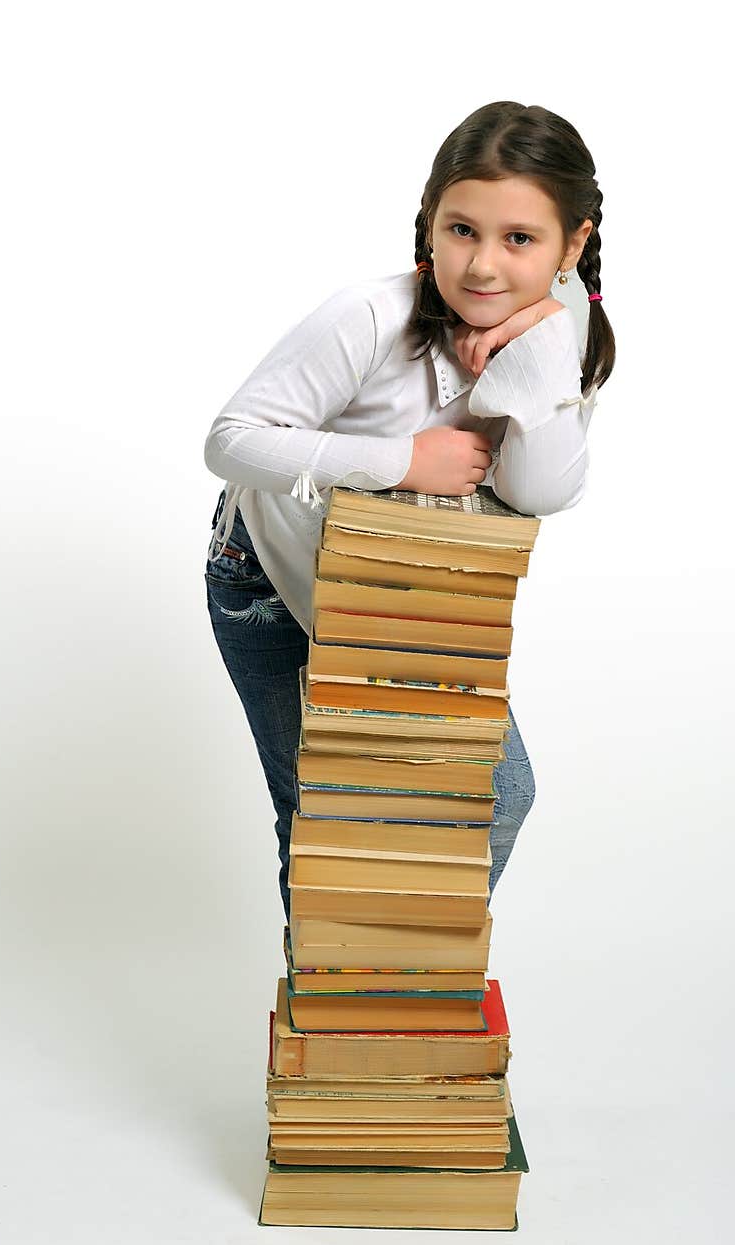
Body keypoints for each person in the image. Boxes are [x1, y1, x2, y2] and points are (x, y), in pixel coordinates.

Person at [203, 100, 615, 923]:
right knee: (320, 817)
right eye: (461, 229)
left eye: (521, 239)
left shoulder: (562, 348)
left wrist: (540, 349)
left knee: (496, 796)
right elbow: (231, 441)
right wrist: (398, 461)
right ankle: (338, 1014)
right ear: (428, 223)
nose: (484, 266)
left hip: (404, 601)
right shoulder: (369, 316)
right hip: (274, 585)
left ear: (574, 243)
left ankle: (403, 974)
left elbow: (542, 492)